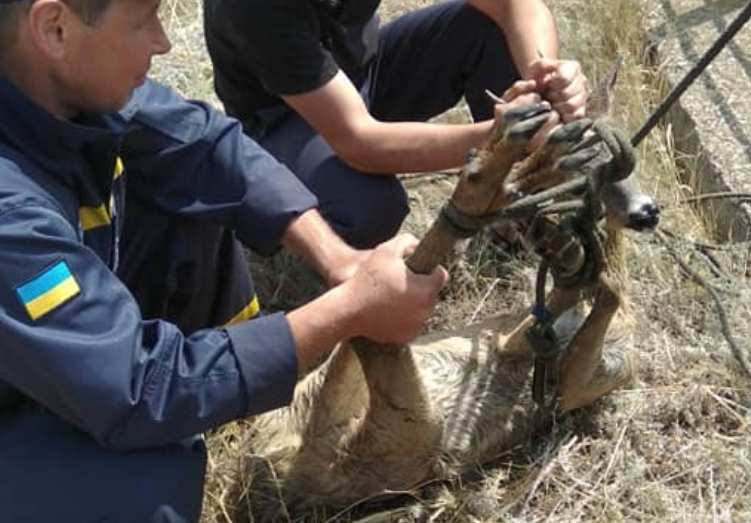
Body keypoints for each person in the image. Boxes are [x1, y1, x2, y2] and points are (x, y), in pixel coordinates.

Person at [0, 0, 454, 520]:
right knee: (147, 488)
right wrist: (348, 310)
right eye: (144, 17)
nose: (163, 42)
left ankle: (211, 385)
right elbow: (135, 388)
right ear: (54, 29)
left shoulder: (54, 89)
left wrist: (340, 262)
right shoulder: (8, 210)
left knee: (195, 184)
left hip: (50, 347)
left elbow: (204, 144)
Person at [203, 0, 589, 249]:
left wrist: (544, 77)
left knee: (481, 28)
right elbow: (358, 141)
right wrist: (499, 138)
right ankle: (282, 214)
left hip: (362, 73)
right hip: (285, 120)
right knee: (370, 210)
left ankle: (517, 214)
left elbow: (511, 7)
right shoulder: (253, 7)